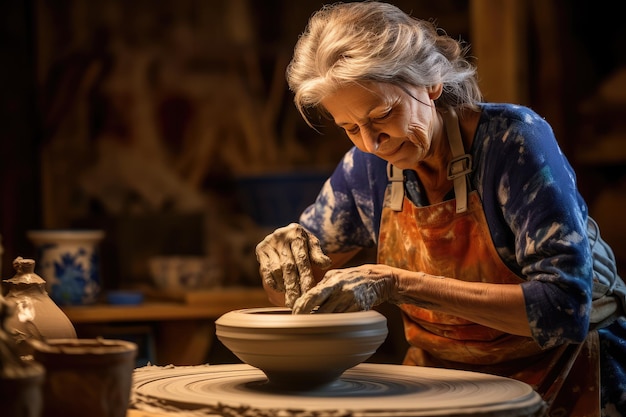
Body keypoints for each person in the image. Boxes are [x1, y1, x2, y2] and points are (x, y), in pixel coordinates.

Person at [255, 2, 626, 415]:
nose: (372, 143)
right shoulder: (367, 168)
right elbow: (299, 292)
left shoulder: (513, 144)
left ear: (430, 83)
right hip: (443, 382)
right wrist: (284, 261)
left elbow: (564, 310)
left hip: (565, 375)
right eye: (349, 128)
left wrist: (397, 283)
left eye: (383, 115)